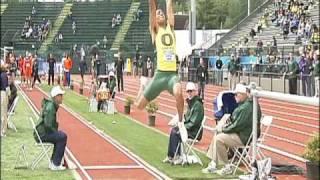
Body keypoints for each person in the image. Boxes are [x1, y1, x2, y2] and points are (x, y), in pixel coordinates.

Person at [137, 0, 184, 123]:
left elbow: (169, 5)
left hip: (172, 75)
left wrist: (169, 2)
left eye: (162, 13)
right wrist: (152, 4)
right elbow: (152, 8)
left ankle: (180, 122)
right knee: (139, 106)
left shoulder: (170, 28)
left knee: (179, 92)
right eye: (158, 14)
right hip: (160, 75)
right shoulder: (155, 31)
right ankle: (143, 86)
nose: (160, 14)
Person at [202, 83, 262, 174]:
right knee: (218, 134)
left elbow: (237, 126)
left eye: (237, 94)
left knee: (219, 139)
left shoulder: (246, 107)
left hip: (244, 136)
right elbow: (237, 124)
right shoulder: (247, 105)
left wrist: (223, 129)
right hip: (244, 134)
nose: (235, 96)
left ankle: (226, 166)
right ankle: (213, 163)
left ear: (244, 94)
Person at [163, 82, 204, 163]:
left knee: (176, 132)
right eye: (188, 91)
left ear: (195, 92)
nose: (189, 93)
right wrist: (178, 121)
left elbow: (193, 123)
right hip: (189, 129)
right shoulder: (191, 103)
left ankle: (177, 156)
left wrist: (182, 127)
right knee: (174, 130)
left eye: (191, 91)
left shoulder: (198, 105)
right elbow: (186, 117)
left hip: (194, 131)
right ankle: (171, 156)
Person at [34, 86, 67, 170]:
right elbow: (48, 124)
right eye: (60, 95)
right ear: (56, 97)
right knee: (62, 136)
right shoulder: (50, 107)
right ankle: (55, 164)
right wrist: (55, 131)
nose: (62, 97)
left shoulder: (51, 105)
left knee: (60, 136)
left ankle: (54, 162)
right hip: (42, 134)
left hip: (41, 132)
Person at [0, 64, 10, 137]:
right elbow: (6, 87)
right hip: (3, 93)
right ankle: (2, 131)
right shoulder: (4, 75)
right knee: (3, 112)